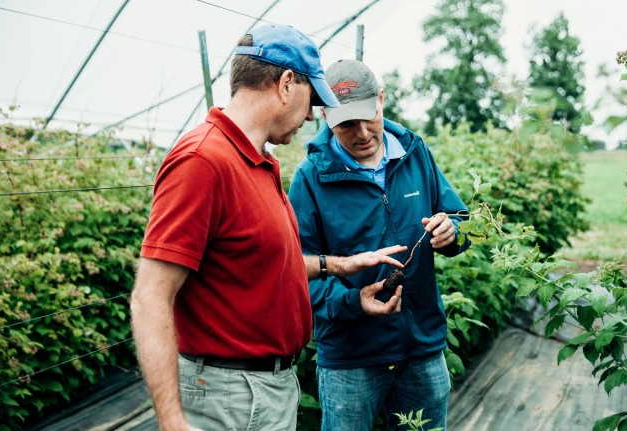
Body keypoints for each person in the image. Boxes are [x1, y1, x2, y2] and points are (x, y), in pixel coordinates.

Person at [130, 25, 406, 431]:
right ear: (286, 84)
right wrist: (172, 421)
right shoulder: (203, 162)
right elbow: (149, 298)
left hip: (263, 389)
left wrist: (338, 265)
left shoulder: (257, 162)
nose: (312, 116)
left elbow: (258, 261)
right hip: (230, 395)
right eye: (312, 101)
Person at [288, 59, 472, 431]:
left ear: (381, 100)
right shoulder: (310, 180)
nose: (361, 133)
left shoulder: (414, 152)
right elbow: (297, 271)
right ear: (325, 117)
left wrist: (452, 231)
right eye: (345, 124)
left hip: (422, 349)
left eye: (366, 117)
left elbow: (463, 220)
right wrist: (353, 302)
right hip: (350, 361)